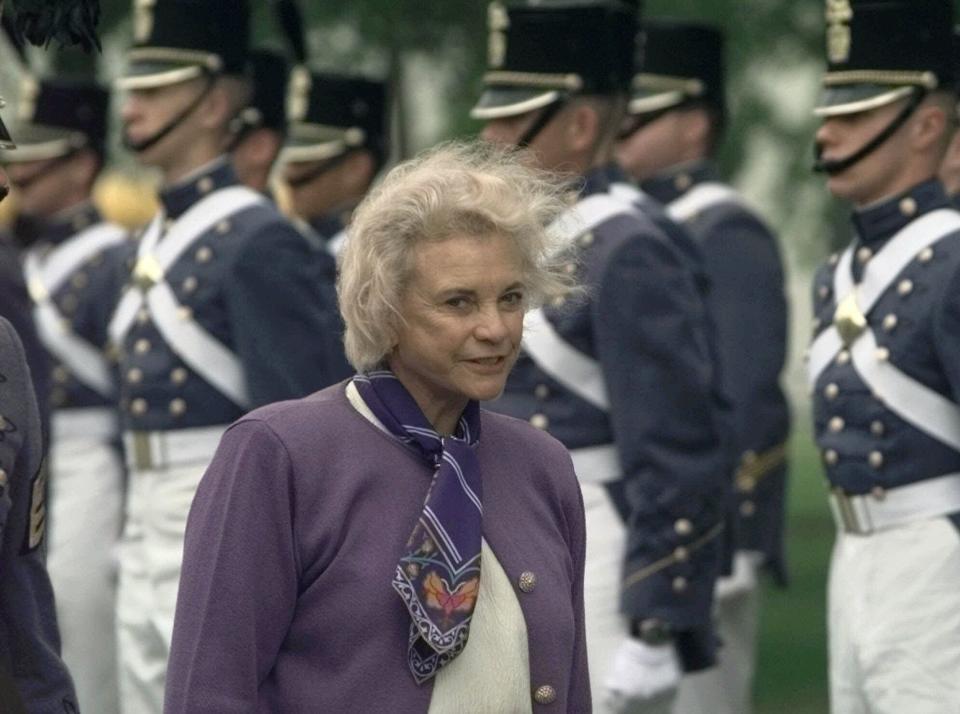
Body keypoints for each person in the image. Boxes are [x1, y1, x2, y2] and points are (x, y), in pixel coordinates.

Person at [164, 141, 589, 712]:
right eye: (458, 303)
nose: (495, 329)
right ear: (383, 310)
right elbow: (210, 691)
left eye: (510, 298)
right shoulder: (279, 455)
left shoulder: (543, 466)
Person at [472, 2, 730, 712]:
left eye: (510, 117)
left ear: (581, 124)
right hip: (499, 533)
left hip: (596, 546)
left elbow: (677, 447)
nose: (489, 137)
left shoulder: (632, 249)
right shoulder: (514, 244)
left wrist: (655, 618)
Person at [109, 0, 350, 709]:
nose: (134, 103)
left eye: (157, 88)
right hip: (140, 505)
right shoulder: (152, 237)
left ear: (215, 102)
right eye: (134, 86)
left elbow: (309, 424)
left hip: (217, 504)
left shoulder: (257, 239)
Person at [615, 20, 791, 714]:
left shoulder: (724, 229)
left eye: (642, 116)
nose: (620, 131)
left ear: (694, 124)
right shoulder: (625, 224)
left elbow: (744, 390)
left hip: (705, 540)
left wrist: (737, 536)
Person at [808, 0, 960, 711]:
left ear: (925, 124)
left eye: (855, 113)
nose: (826, 131)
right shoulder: (839, 272)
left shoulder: (953, 260)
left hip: (938, 563)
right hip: (854, 558)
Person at [281, 70, 389, 255]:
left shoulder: (365, 256)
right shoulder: (305, 244)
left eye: (305, 161)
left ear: (357, 168)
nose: (288, 173)